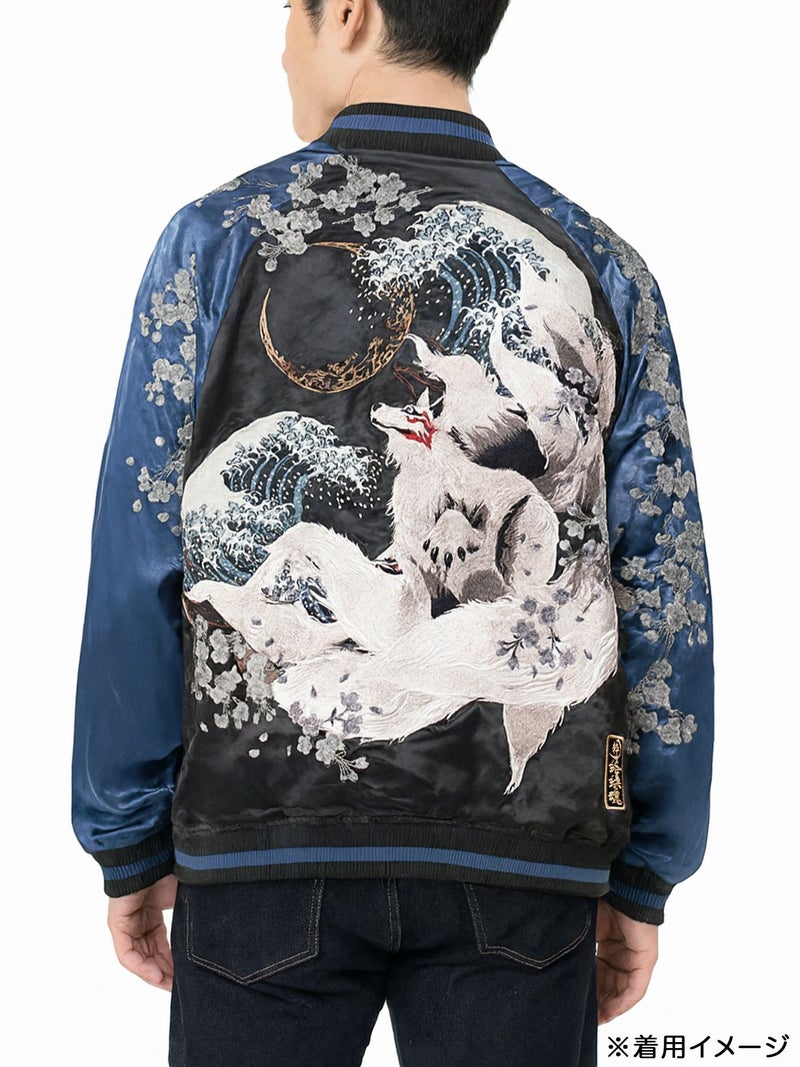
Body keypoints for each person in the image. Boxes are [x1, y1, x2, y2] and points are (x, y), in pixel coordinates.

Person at [71, 1, 715, 1064]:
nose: (279, 40)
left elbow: (140, 551)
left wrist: (126, 833)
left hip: (264, 838)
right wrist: (649, 863)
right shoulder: (601, 262)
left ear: (350, 12)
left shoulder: (214, 242)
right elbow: (663, 578)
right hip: (525, 853)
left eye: (288, 9)